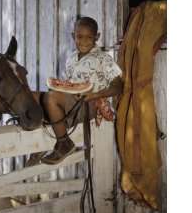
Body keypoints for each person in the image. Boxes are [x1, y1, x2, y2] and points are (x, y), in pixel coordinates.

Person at [30, 16, 123, 165]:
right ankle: (38, 141)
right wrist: (58, 87)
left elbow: (118, 86)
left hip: (90, 105)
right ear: (74, 36)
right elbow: (67, 86)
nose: (84, 41)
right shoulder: (70, 59)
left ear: (97, 37)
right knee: (33, 96)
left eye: (89, 37)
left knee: (50, 98)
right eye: (80, 37)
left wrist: (95, 94)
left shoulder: (103, 58)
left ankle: (64, 143)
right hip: (71, 103)